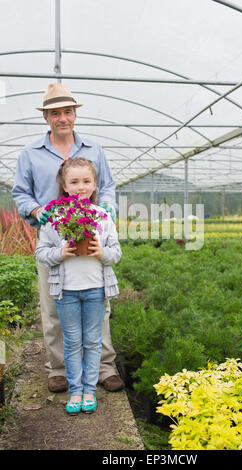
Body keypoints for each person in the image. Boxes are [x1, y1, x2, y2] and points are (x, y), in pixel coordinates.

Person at [12, 83, 125, 393]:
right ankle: (59, 369)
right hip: (54, 240)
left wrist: (108, 209)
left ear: (75, 114)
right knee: (53, 304)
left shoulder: (94, 149)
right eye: (55, 113)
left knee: (96, 302)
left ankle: (103, 367)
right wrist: (37, 211)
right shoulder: (31, 154)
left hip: (90, 235)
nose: (62, 118)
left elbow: (110, 185)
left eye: (67, 111)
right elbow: (20, 193)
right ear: (46, 117)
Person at [35, 157, 122, 414]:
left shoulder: (103, 216)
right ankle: (75, 391)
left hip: (96, 289)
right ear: (64, 186)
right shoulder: (55, 218)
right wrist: (60, 253)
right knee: (72, 342)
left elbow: (116, 253)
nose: (80, 186)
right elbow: (41, 252)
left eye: (86, 181)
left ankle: (89, 391)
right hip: (67, 292)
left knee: (93, 341)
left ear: (95, 184)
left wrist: (100, 251)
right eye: (74, 181)